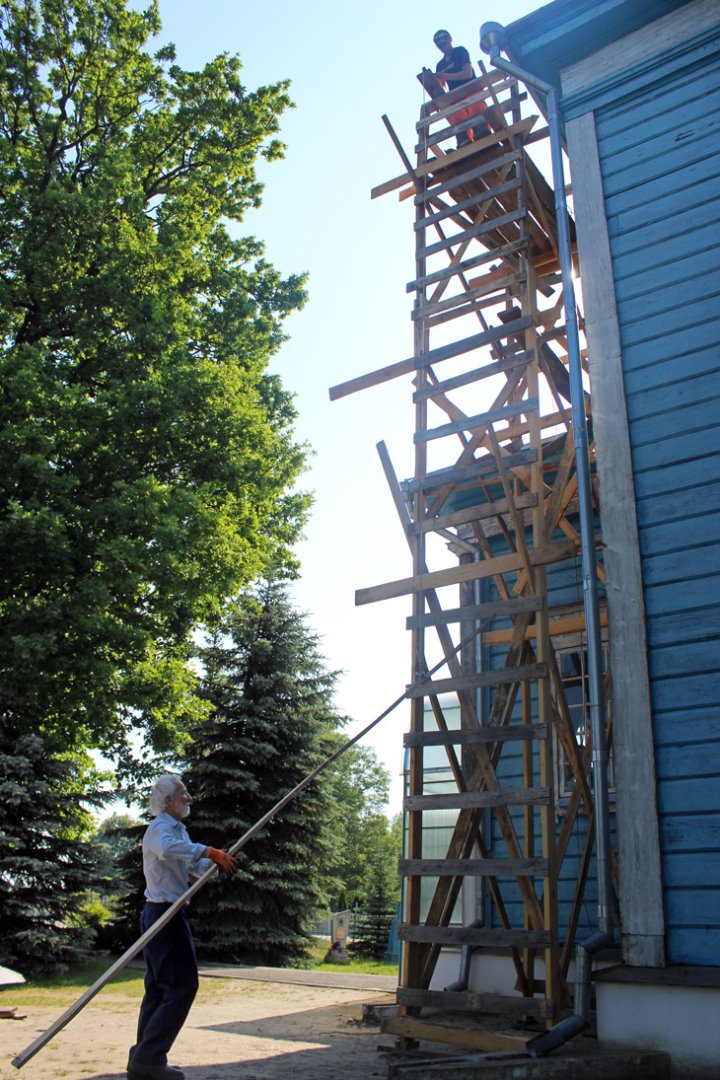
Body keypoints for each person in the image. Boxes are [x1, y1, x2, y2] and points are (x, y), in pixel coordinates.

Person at [127, 774, 237, 1080]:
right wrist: (207, 850)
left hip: (167, 913)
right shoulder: (159, 828)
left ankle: (142, 1061)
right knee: (183, 986)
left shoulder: (179, 831)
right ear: (167, 801)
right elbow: (166, 849)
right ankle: (149, 1058)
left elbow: (195, 868)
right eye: (183, 794)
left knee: (159, 990)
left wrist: (216, 862)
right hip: (164, 914)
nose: (188, 798)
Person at [432, 28, 490, 147]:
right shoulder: (440, 65)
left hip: (471, 89)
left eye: (444, 43)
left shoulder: (460, 52)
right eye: (440, 45)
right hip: (455, 97)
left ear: (450, 40)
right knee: (458, 118)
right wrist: (437, 82)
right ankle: (464, 142)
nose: (443, 47)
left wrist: (446, 76)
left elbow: (467, 73)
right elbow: (442, 87)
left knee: (477, 110)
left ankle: (483, 134)